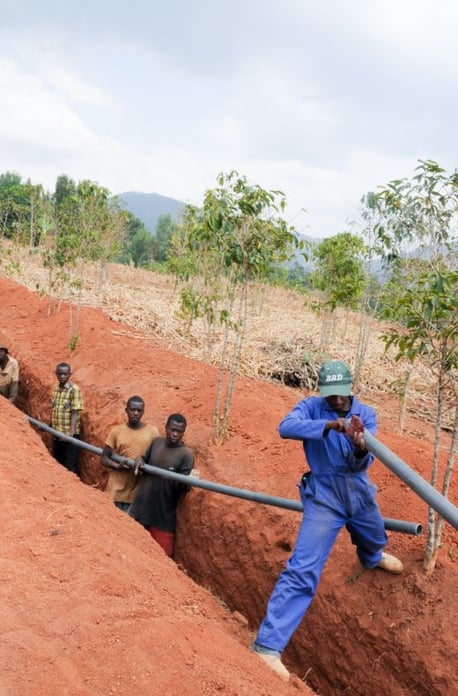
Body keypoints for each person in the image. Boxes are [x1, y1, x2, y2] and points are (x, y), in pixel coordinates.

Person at [252, 359, 403, 681]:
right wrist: (331, 426)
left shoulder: (368, 415)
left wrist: (360, 446)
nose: (335, 400)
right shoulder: (311, 407)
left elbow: (364, 462)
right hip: (324, 496)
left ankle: (371, 557)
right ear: (323, 391)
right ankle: (267, 647)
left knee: (375, 538)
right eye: (330, 394)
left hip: (358, 491)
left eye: (340, 394)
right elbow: (285, 427)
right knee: (303, 568)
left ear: (351, 387)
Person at [129, 413, 194, 558]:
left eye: (179, 432)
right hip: (140, 509)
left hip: (162, 516)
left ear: (184, 432)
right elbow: (143, 458)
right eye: (172, 430)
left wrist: (183, 482)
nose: (175, 434)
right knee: (132, 554)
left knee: (162, 560)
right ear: (166, 428)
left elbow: (182, 488)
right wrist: (139, 458)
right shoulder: (156, 443)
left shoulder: (186, 455)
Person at [100, 396, 159, 514]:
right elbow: (104, 458)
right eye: (132, 410)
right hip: (115, 491)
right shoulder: (116, 431)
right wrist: (117, 466)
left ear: (143, 412)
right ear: (126, 410)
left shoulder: (153, 432)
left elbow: (156, 458)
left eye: (139, 410)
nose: (136, 413)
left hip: (136, 493)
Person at [50, 362, 84, 477]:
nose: (62, 376)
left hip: (69, 436)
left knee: (70, 467)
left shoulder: (74, 390)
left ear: (70, 374)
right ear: (56, 374)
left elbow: (75, 412)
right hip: (57, 434)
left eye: (65, 374)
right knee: (57, 463)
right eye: (60, 374)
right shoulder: (55, 389)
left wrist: (71, 435)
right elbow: (55, 410)